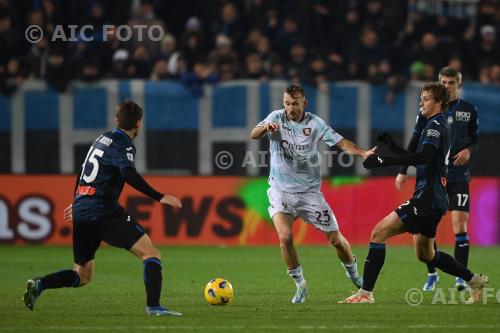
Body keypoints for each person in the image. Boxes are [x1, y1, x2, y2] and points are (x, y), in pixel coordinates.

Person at [23, 101, 183, 316]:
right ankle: (154, 307)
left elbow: (82, 173)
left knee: (82, 275)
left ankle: (40, 284)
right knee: (150, 253)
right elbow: (128, 173)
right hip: (104, 210)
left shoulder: (101, 139)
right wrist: (159, 196)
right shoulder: (123, 144)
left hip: (83, 211)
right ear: (138, 123)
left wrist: (78, 200)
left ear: (117, 120)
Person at [339, 82, 488, 304]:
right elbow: (421, 156)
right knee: (425, 255)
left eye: (426, 98)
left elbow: (423, 157)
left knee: (378, 233)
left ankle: (365, 293)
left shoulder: (435, 125)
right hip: (434, 199)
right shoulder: (437, 124)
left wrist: (384, 161)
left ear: (438, 102)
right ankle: (474, 279)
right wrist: (392, 146)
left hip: (426, 198)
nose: (421, 102)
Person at [250, 84, 376, 303]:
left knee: (336, 240)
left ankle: (353, 272)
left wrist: (362, 152)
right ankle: (300, 285)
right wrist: (265, 128)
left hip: (309, 193)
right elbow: (253, 134)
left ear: (304, 103)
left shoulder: (315, 123)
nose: (291, 108)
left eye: (295, 103)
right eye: (287, 103)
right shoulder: (276, 118)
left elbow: (341, 142)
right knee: (285, 237)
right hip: (280, 191)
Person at [394, 67, 479, 291]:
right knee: (426, 228)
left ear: (458, 84)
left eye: (451, 82)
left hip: (458, 176)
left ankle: (461, 276)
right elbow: (414, 141)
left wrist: (469, 150)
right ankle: (432, 274)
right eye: (443, 81)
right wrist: (403, 169)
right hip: (433, 179)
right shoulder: (428, 111)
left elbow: (475, 138)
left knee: (459, 225)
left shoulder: (469, 110)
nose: (447, 85)